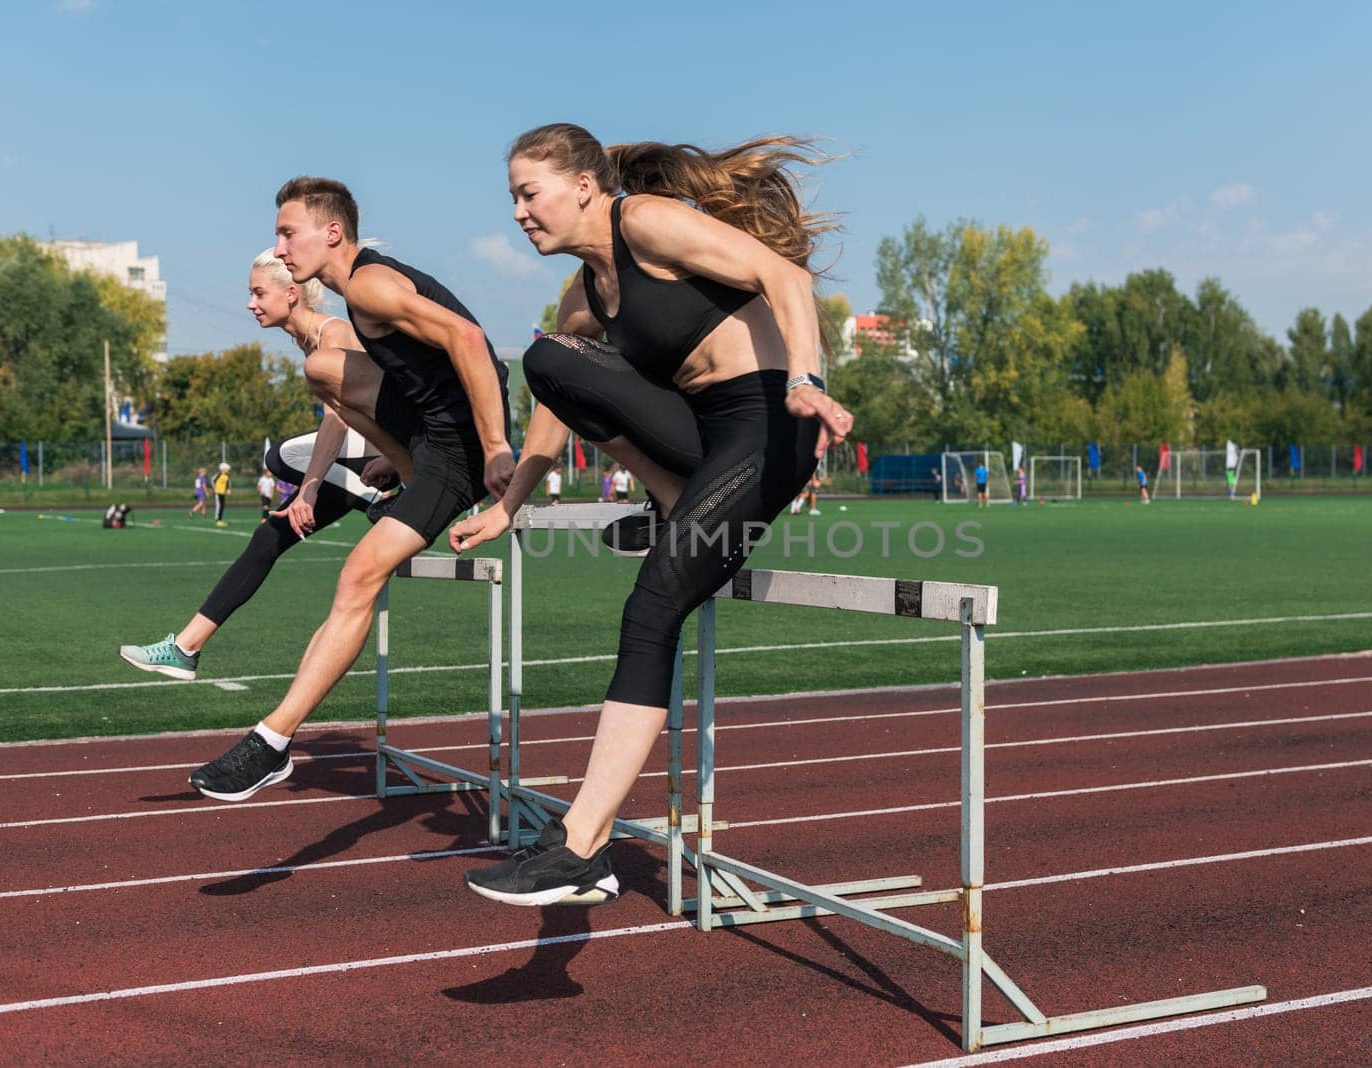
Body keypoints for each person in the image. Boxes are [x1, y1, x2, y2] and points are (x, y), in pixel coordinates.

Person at [448, 123, 851, 907]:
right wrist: (510, 505)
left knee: (656, 602)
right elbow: (553, 407)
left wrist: (804, 378)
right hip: (701, 433)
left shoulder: (647, 222)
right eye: (513, 201)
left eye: (529, 195)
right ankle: (673, 504)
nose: (520, 215)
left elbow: (784, 277)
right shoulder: (586, 293)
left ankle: (580, 844)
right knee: (548, 358)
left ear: (585, 187)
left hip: (770, 425)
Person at [182, 178, 514, 802]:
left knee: (358, 577)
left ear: (332, 232)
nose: (279, 248)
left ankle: (271, 742)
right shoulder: (353, 299)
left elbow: (471, 342)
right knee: (320, 369)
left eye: (288, 233)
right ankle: (401, 474)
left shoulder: (369, 284)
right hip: (428, 436)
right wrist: (397, 454)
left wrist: (494, 446)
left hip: (460, 444)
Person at [119, 249, 410, 683]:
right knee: (268, 537)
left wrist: (310, 489)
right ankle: (185, 648)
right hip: (367, 451)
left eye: (258, 293)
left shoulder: (335, 335)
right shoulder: (306, 340)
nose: (250, 303)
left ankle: (377, 493)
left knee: (280, 456)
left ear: (292, 295)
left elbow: (338, 418)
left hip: (403, 447)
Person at [213, 462, 233, 527]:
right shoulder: (218, 475)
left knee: (222, 506)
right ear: (222, 469)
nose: (227, 471)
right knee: (219, 506)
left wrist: (228, 489)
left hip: (223, 493)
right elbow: (213, 480)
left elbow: (228, 483)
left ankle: (220, 520)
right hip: (218, 493)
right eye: (226, 469)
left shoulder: (227, 476)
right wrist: (215, 488)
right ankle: (217, 520)